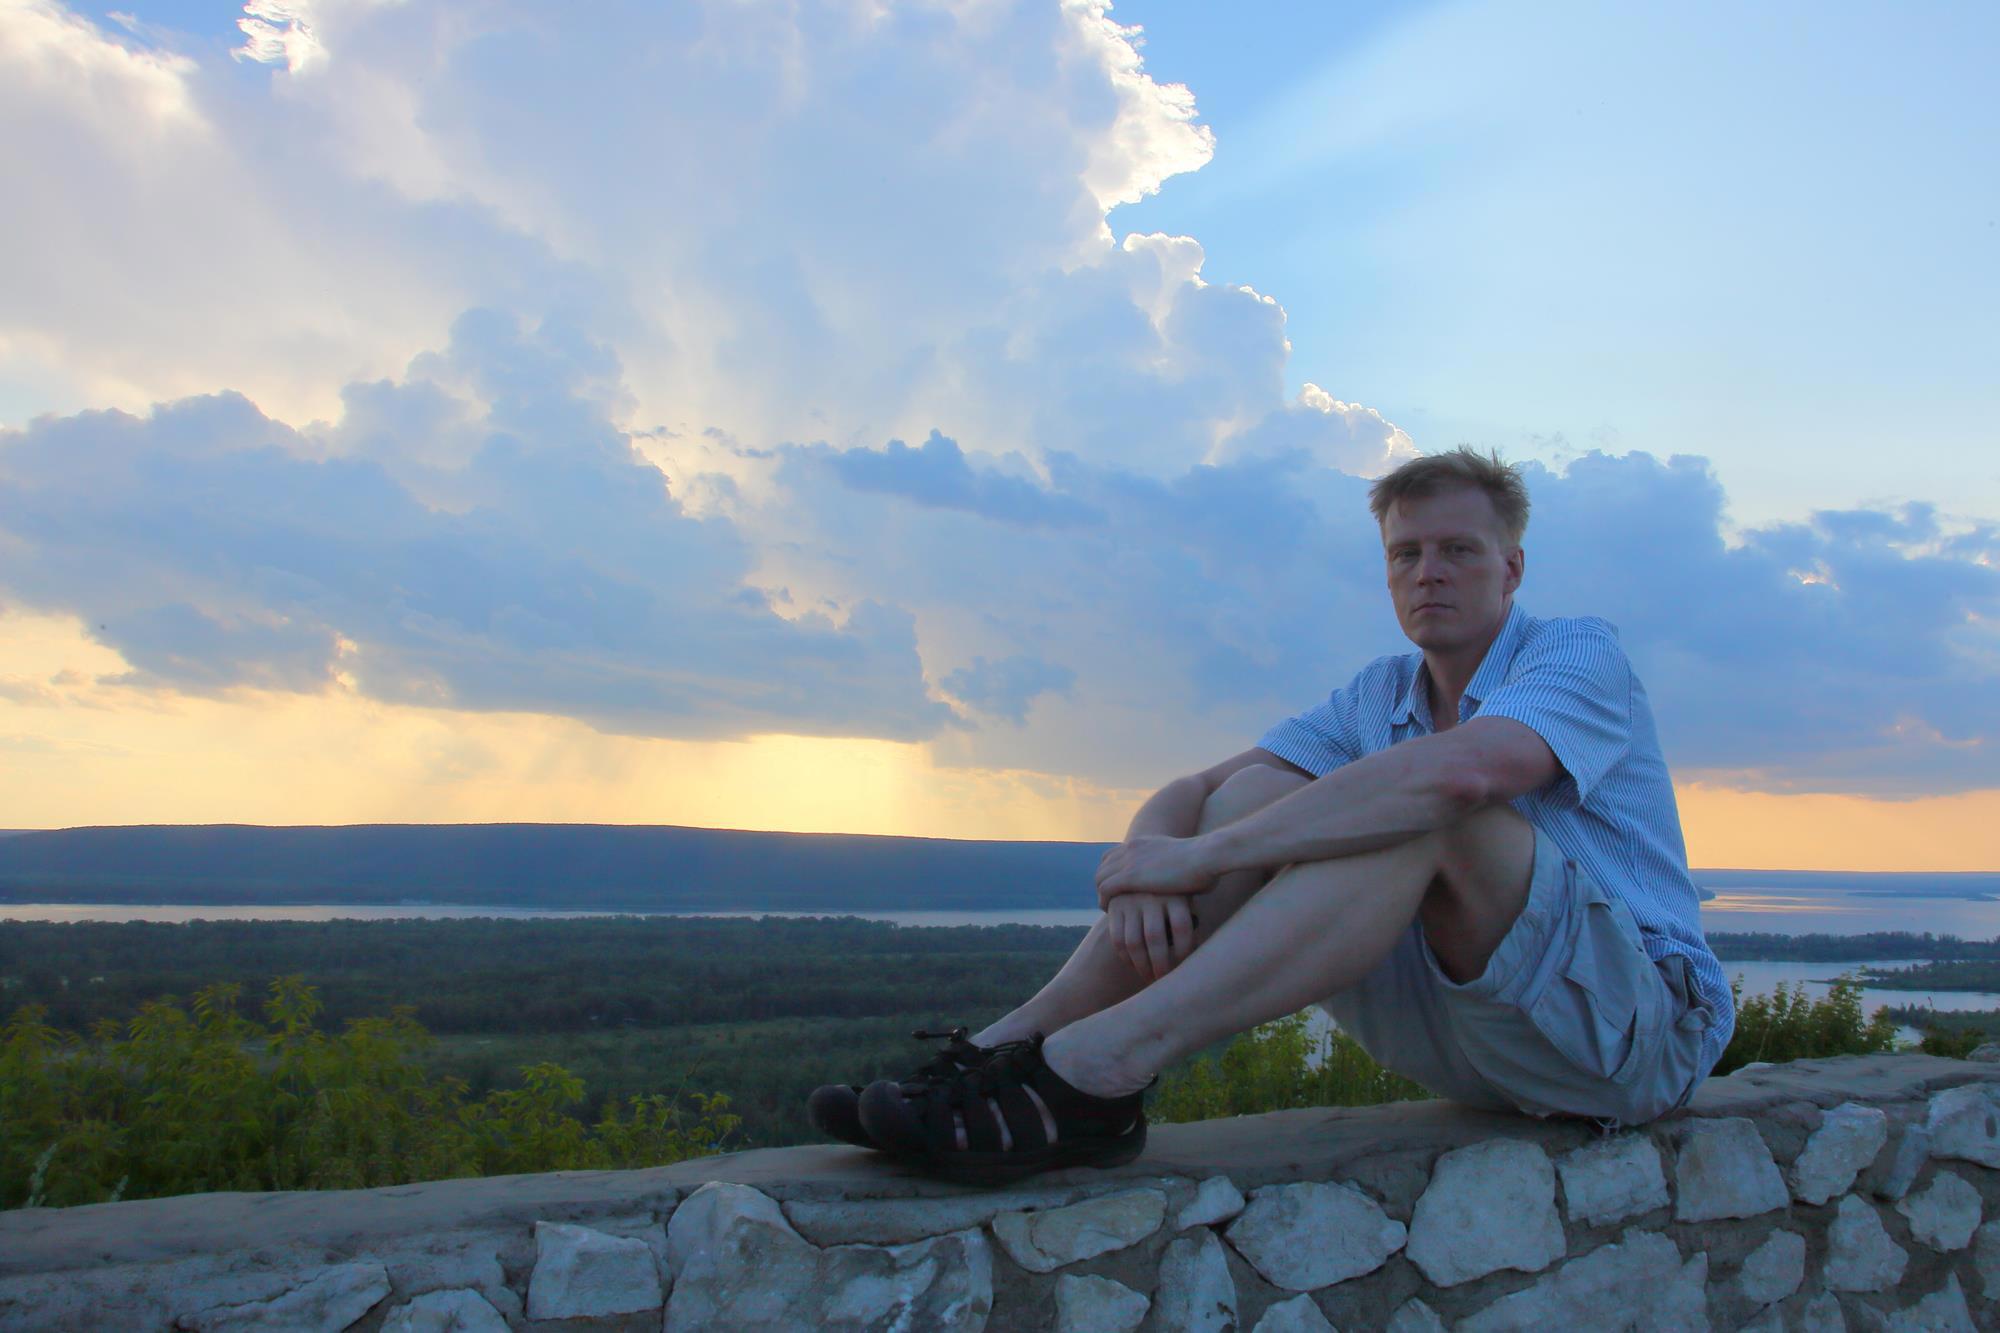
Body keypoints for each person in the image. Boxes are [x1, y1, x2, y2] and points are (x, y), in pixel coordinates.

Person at [808, 446, 1734, 1186]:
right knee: (1255, 794)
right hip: (1477, 1035)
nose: (1429, 573)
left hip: (1635, 1038)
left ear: (1512, 568)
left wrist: (1205, 855)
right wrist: (1152, 856)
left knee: (1424, 806)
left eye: (1459, 550)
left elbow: (1464, 775)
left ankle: (1102, 1070)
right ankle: (1009, 1050)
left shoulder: (1577, 654)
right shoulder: (1380, 692)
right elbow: (1200, 787)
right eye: (1406, 554)